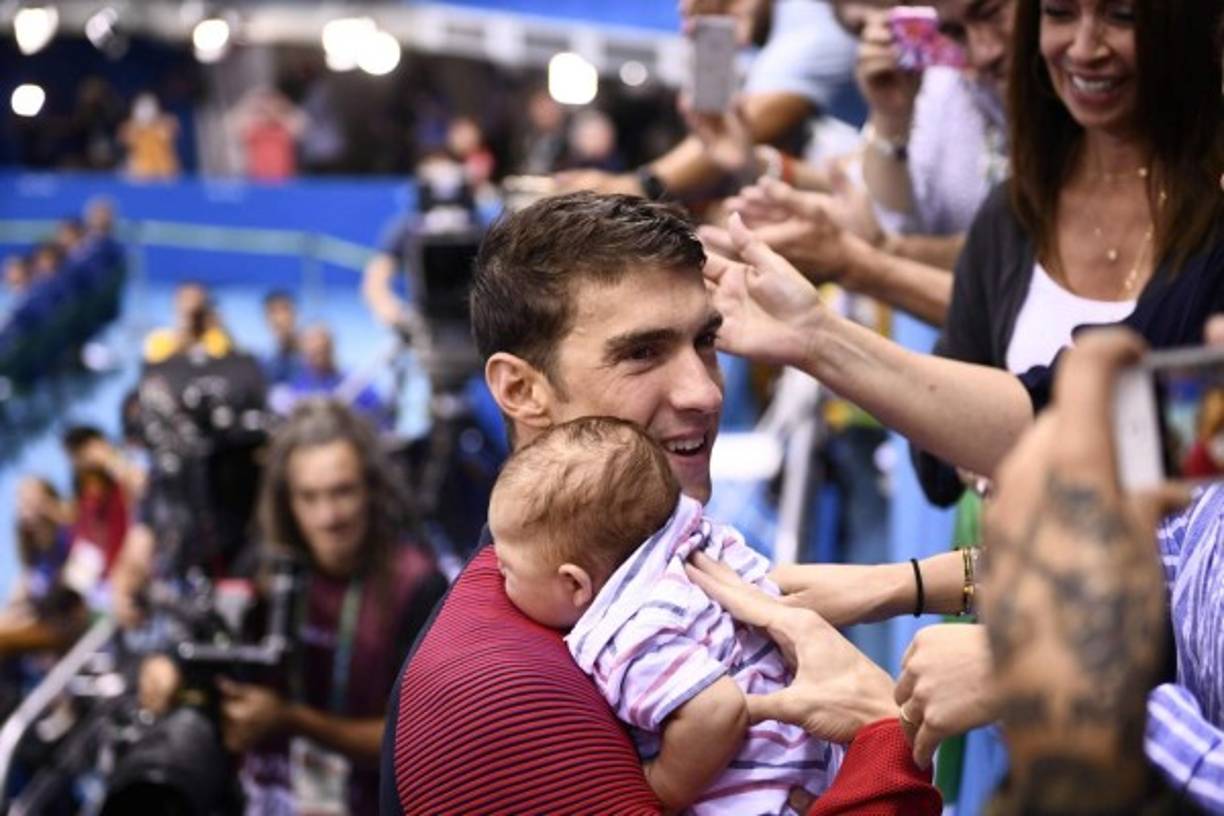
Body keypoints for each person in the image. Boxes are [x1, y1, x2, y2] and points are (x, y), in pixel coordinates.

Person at [382, 192, 940, 814]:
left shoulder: (646, 573)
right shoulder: (496, 691)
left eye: (706, 341)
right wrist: (886, 739)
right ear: (520, 389)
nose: (705, 392)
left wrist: (928, 587)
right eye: (642, 353)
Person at [490, 416, 840, 813]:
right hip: (823, 757)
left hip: (767, 796)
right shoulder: (703, 544)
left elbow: (717, 710)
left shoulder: (630, 636)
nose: (496, 574)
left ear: (575, 585)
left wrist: (663, 786)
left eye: (507, 567)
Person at [222, 399, 447, 816]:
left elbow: (417, 742)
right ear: (287, 501)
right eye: (308, 497)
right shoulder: (263, 569)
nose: (327, 517)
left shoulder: (418, 585)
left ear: (372, 489)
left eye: (342, 492)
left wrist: (292, 720)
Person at [261, 289, 301, 386]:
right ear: (266, 319)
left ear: (295, 314)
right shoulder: (267, 363)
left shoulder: (316, 356)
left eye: (284, 310)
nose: (279, 318)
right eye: (272, 312)